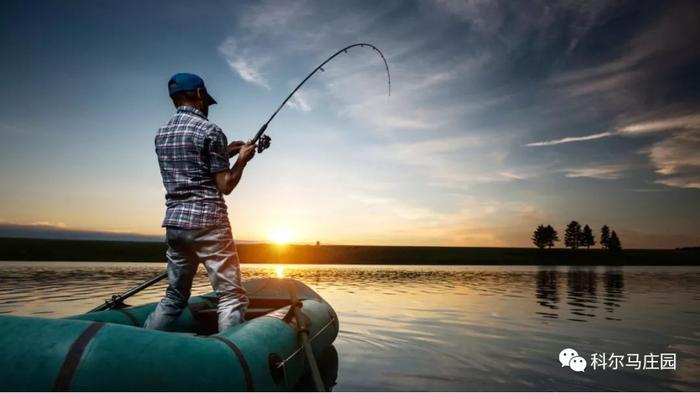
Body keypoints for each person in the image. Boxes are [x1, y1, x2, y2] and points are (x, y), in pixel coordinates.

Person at [145, 73, 257, 332]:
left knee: (174, 297)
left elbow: (190, 164)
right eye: (206, 99)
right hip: (209, 223)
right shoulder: (210, 130)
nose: (207, 105)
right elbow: (225, 185)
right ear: (199, 95)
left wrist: (224, 151)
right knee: (231, 296)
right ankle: (229, 356)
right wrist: (242, 160)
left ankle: (141, 342)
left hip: (175, 224)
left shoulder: (161, 135)